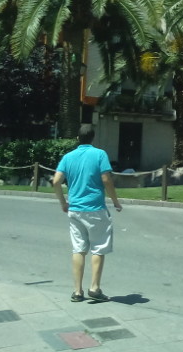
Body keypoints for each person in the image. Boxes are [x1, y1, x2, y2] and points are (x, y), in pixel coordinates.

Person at [52, 124, 122, 303]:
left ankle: (77, 291)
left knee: (78, 249)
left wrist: (63, 203)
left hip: (75, 209)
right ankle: (95, 287)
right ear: (93, 138)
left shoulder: (68, 157)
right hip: (95, 209)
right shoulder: (99, 154)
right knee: (98, 248)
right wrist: (115, 201)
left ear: (78, 138)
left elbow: (56, 181)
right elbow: (106, 179)